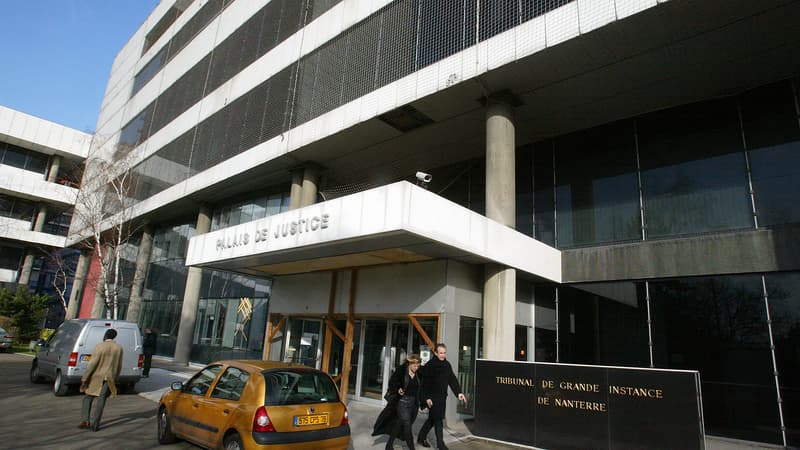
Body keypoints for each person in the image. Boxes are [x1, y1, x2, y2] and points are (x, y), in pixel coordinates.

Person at [417, 344, 466, 450]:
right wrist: (426, 398)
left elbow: (452, 379)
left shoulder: (447, 365)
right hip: (432, 398)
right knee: (438, 420)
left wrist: (459, 393)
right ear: (435, 353)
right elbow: (424, 384)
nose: (443, 355)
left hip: (442, 398)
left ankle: (421, 437)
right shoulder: (430, 365)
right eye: (441, 353)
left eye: (444, 353)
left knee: (432, 419)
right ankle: (440, 445)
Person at [373, 354, 424, 449]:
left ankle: (389, 445)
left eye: (418, 366)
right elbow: (393, 382)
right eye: (414, 366)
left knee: (399, 423)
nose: (416, 368)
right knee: (407, 425)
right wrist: (398, 388)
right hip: (402, 403)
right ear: (409, 363)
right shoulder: (401, 371)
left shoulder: (419, 373)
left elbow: (423, 387)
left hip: (413, 404)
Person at [78, 328, 123, 432]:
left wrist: (85, 377)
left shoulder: (100, 346)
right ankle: (95, 424)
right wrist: (115, 378)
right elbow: (119, 365)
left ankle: (85, 420)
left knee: (88, 397)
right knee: (101, 400)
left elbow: (93, 363)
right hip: (109, 377)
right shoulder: (119, 348)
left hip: (97, 376)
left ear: (106, 335)